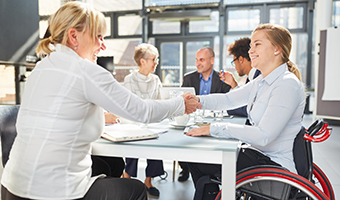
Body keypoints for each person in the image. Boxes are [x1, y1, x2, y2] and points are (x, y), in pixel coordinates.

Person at [0, 2, 200, 200]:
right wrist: (181, 103)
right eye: (98, 36)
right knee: (136, 189)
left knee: (110, 166)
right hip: (52, 191)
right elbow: (141, 111)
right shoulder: (85, 71)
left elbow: (57, 112)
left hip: (12, 186)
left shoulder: (41, 68)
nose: (103, 45)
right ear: (73, 36)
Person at [185, 24, 306, 200]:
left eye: (257, 44)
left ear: (277, 49)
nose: (251, 51)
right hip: (258, 155)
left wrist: (214, 128)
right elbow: (229, 99)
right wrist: (198, 101)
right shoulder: (262, 81)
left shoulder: (286, 84)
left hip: (273, 165)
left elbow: (264, 135)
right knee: (197, 157)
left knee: (200, 157)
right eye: (251, 46)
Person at [179, 47, 231, 182]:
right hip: (192, 120)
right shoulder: (188, 79)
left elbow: (228, 102)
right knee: (182, 138)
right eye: (196, 60)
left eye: (201, 59)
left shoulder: (222, 80)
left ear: (212, 60)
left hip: (214, 122)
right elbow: (181, 102)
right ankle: (186, 168)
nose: (198, 63)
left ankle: (210, 170)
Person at [121, 43, 164, 197]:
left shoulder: (156, 79)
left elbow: (159, 102)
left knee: (156, 143)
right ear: (143, 61)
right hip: (134, 122)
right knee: (135, 142)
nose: (156, 62)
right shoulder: (129, 79)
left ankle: (148, 181)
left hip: (151, 122)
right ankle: (127, 176)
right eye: (154, 59)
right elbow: (132, 105)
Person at [220, 37, 261, 117]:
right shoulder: (250, 77)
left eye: (234, 61)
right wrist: (233, 84)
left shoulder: (259, 77)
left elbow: (248, 109)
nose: (235, 66)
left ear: (241, 59)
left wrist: (228, 106)